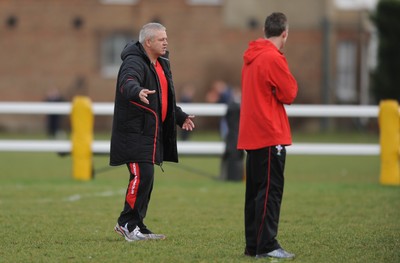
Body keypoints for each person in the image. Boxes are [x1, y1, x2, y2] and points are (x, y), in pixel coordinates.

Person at [109, 22, 195, 242]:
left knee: (147, 179)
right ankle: (126, 224)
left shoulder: (161, 63)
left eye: (166, 38)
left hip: (150, 134)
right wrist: (136, 91)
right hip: (134, 133)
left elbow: (165, 100)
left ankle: (136, 224)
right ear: (148, 42)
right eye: (161, 39)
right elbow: (127, 82)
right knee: (142, 176)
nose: (166, 42)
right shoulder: (134, 61)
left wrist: (180, 116)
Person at [237, 12, 298, 259]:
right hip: (270, 133)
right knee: (270, 192)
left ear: (265, 30)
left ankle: (253, 245)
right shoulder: (273, 57)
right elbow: (290, 93)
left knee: (254, 193)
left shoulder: (251, 57)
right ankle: (267, 245)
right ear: (284, 33)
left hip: (252, 134)